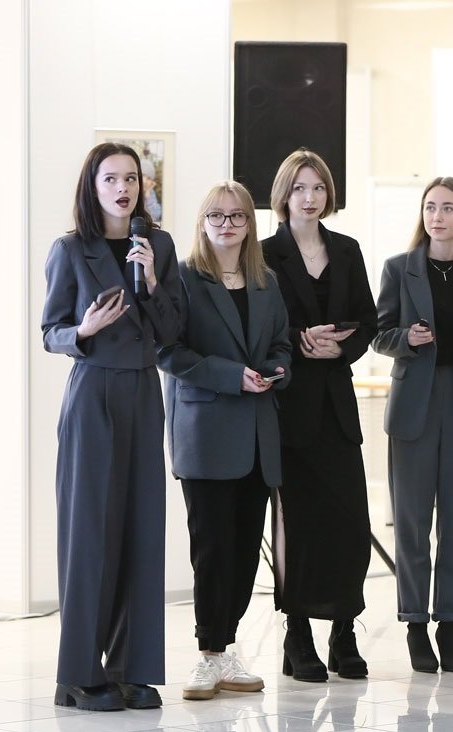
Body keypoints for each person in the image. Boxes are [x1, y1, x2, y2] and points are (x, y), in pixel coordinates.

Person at [41, 143, 182, 711]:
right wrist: (83, 329)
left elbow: (173, 329)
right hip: (93, 393)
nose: (123, 188)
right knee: (90, 535)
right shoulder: (70, 249)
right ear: (92, 186)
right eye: (111, 179)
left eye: (131, 178)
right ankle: (78, 674)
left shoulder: (159, 246)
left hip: (144, 392)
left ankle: (131, 668)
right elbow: (50, 331)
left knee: (142, 531)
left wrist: (152, 280)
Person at [158, 181, 292, 700]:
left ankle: (225, 649)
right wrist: (232, 376)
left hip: (257, 433)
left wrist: (276, 370)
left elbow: (281, 344)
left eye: (237, 216)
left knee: (243, 550)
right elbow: (169, 352)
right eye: (216, 215)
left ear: (250, 224)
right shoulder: (183, 278)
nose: (227, 224)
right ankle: (208, 653)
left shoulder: (265, 281)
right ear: (202, 222)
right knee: (212, 549)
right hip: (207, 433)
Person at [373, 177, 453, 672]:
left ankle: (448, 623)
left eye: (448, 208)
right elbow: (378, 336)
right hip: (414, 407)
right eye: (430, 207)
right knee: (411, 523)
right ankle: (414, 624)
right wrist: (406, 338)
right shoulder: (399, 268)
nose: (438, 216)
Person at [261, 149, 377, 681]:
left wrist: (341, 348)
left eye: (319, 188)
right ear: (284, 195)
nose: (310, 198)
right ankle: (298, 634)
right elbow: (260, 327)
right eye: (300, 188)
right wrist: (298, 340)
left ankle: (344, 632)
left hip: (337, 405)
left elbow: (368, 322)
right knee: (299, 527)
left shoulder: (347, 250)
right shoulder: (263, 255)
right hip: (290, 406)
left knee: (351, 524)